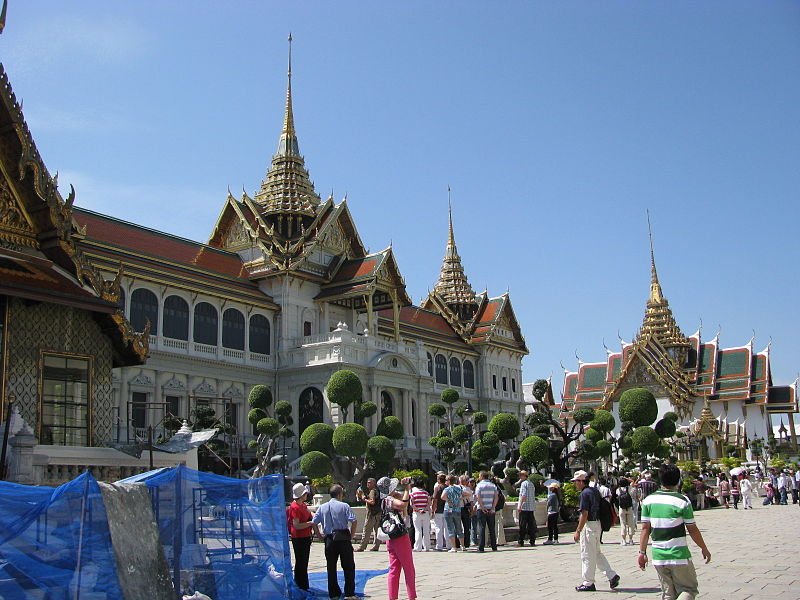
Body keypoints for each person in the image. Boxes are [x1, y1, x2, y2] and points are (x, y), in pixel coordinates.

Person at [638, 463, 712, 600]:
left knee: (668, 594)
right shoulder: (682, 501)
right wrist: (704, 548)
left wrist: (642, 553)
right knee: (688, 590)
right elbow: (692, 529)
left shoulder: (648, 501)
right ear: (678, 480)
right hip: (678, 554)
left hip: (659, 556)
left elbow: (645, 529)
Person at [572, 470, 620, 592]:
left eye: (576, 481)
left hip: (590, 525)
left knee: (587, 554)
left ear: (582, 481)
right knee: (596, 553)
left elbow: (584, 514)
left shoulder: (584, 494)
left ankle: (588, 582)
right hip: (597, 524)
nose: (575, 484)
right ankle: (611, 575)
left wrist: (578, 530)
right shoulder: (594, 491)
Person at [311, 483, 358, 600]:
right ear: (339, 494)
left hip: (329, 538)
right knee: (348, 566)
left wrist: (319, 536)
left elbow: (314, 522)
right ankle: (349, 593)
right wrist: (351, 535)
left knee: (331, 567)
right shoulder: (344, 506)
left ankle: (334, 593)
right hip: (343, 538)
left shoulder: (322, 507)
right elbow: (354, 520)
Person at [377, 476, 417, 600]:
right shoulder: (390, 499)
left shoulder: (383, 500)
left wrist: (406, 488)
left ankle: (392, 596)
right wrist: (406, 489)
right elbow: (402, 505)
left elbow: (403, 498)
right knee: (408, 567)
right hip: (400, 536)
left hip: (391, 536)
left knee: (394, 568)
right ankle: (411, 596)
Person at [286, 483, 314, 591]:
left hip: (305, 536)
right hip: (299, 538)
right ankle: (301, 585)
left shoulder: (303, 505)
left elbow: (308, 513)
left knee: (304, 561)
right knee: (301, 562)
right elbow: (296, 525)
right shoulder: (295, 507)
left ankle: (303, 584)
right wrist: (310, 523)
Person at [474, 471, 499, 552]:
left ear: (481, 476)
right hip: (491, 509)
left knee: (482, 528)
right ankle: (494, 546)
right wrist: (493, 507)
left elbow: (478, 497)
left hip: (481, 510)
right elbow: (496, 497)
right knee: (492, 528)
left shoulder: (479, 485)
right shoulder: (493, 485)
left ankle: (481, 546)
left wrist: (482, 507)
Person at [441, 474, 466, 551]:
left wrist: (448, 500)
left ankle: (454, 547)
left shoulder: (447, 489)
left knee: (450, 528)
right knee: (459, 528)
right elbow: (468, 494)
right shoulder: (458, 488)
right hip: (457, 509)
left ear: (449, 481)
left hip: (448, 509)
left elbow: (442, 497)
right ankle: (463, 546)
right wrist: (460, 498)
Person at [356, 478, 381, 552]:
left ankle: (362, 547)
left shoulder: (372, 491)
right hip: (378, 513)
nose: (368, 484)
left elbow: (372, 502)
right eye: (367, 482)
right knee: (377, 531)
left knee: (366, 531)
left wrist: (364, 499)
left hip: (371, 514)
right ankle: (376, 546)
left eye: (370, 483)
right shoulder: (376, 491)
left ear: (374, 484)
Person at [409, 478, 431, 552]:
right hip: (425, 513)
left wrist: (418, 510)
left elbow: (412, 504)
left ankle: (418, 547)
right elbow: (429, 503)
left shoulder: (412, 494)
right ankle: (427, 547)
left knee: (418, 530)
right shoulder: (426, 493)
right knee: (426, 530)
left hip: (416, 513)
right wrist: (424, 509)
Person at [516, 470, 537, 546]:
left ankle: (520, 541)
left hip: (524, 507)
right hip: (531, 507)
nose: (520, 477)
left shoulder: (524, 484)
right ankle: (532, 540)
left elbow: (523, 495)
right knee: (531, 525)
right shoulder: (531, 484)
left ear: (524, 476)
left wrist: (519, 505)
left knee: (522, 525)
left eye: (521, 475)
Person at [431, 472, 450, 551]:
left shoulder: (437, 488)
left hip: (438, 510)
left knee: (438, 528)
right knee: (447, 528)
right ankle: (449, 545)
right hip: (447, 510)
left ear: (439, 480)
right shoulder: (448, 487)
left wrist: (433, 510)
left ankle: (439, 546)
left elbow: (434, 500)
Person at [616, 477, 636, 546]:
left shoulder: (618, 490)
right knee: (630, 524)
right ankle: (630, 540)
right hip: (629, 508)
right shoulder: (629, 489)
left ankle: (624, 540)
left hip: (621, 508)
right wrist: (629, 479)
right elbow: (633, 482)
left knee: (623, 524)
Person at [458, 475, 474, 549]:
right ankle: (466, 543)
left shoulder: (457, 488)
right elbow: (471, 502)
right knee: (466, 527)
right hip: (465, 509)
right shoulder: (468, 489)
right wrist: (471, 511)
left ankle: (458, 543)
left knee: (458, 527)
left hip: (458, 508)